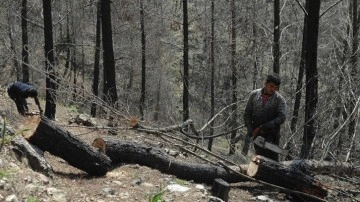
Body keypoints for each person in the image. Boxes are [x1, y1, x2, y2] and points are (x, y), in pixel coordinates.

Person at [243, 73, 287, 161]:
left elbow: (282, 117)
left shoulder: (279, 99)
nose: (273, 89)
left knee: (272, 161)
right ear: (265, 83)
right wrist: (250, 128)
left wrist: (265, 126)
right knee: (259, 160)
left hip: (272, 136)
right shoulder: (254, 95)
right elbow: (247, 113)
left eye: (276, 87)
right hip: (257, 135)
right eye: (271, 86)